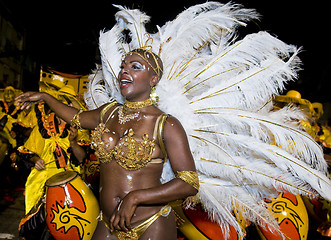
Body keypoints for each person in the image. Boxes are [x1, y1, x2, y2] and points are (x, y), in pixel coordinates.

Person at [16, 48, 199, 240]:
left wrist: (135, 198)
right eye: (123, 66)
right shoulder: (108, 113)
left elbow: (189, 182)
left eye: (135, 67)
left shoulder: (165, 124)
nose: (124, 71)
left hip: (151, 223)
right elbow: (76, 118)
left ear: (153, 79)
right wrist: (46, 97)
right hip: (108, 222)